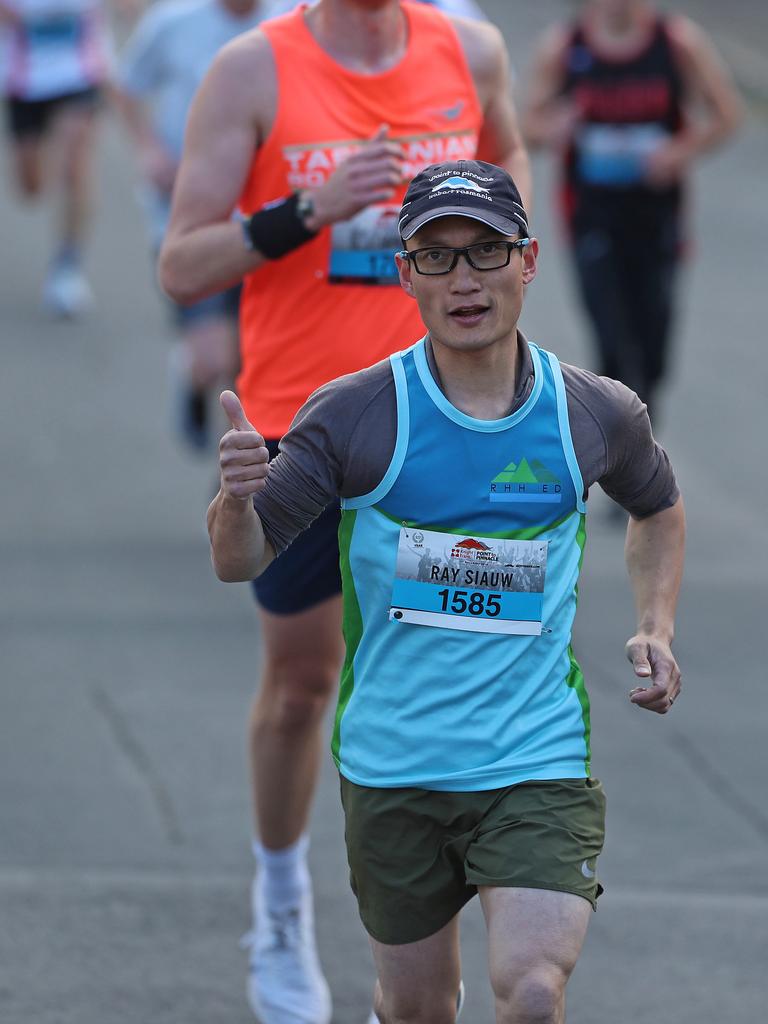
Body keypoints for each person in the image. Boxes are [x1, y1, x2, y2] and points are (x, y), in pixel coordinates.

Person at [207, 158, 685, 1023]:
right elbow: (241, 559)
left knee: (534, 990)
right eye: (436, 257)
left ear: (529, 261)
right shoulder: (357, 415)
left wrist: (656, 623)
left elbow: (657, 507)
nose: (464, 279)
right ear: (406, 275)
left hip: (533, 757)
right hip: (395, 765)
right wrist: (236, 497)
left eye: (486, 252)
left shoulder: (592, 412)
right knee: (418, 1007)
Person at [160, 2, 530, 1020]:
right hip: (306, 438)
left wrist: (495, 300)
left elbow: (513, 175)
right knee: (302, 684)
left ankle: (412, 984)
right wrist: (306, 212)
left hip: (445, 438)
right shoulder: (253, 70)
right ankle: (279, 902)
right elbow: (182, 261)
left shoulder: (471, 50)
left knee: (442, 698)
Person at [523, 0, 741, 421]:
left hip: (658, 221)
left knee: (653, 348)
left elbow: (726, 115)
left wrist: (679, 153)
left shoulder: (677, 43)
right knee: (613, 343)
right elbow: (527, 129)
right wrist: (557, 127)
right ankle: (628, 447)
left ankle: (639, 425)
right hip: (592, 219)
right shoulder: (565, 47)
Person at [116, 0, 275, 450]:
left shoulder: (292, 17)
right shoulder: (174, 21)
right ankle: (192, 372)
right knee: (214, 357)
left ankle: (240, 490)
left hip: (268, 226)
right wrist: (148, 150)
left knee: (251, 364)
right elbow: (125, 85)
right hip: (189, 218)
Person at [1, 0, 114, 315]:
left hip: (80, 74)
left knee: (76, 162)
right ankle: (49, 151)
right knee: (31, 187)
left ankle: (68, 265)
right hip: (24, 80)